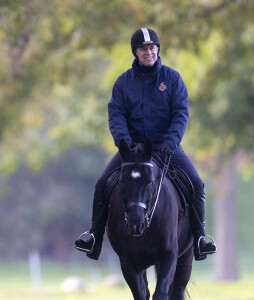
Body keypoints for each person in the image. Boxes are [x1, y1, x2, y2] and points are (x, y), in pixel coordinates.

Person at [75, 28, 217, 261]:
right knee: (102, 184)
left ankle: (201, 238)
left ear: (158, 49)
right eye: (143, 49)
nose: (149, 52)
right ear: (136, 52)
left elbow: (181, 113)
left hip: (166, 147)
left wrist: (171, 142)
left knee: (196, 184)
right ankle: (94, 238)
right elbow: (117, 114)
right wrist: (125, 145)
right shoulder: (123, 83)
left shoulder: (173, 79)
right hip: (132, 151)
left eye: (152, 48)